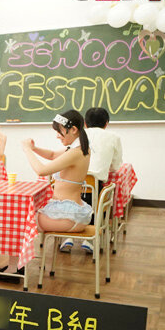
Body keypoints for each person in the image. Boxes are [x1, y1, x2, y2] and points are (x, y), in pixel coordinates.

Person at [59, 107, 122, 253]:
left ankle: (67, 237)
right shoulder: (114, 137)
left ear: (85, 123)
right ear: (106, 123)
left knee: (70, 199)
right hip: (95, 188)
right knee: (98, 198)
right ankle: (90, 240)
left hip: (71, 185)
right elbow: (115, 167)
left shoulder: (77, 134)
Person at [22, 109, 93, 235]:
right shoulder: (79, 149)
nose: (57, 136)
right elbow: (52, 155)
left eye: (59, 132)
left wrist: (27, 149)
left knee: (21, 219)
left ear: (73, 129)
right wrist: (34, 148)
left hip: (68, 217)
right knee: (24, 215)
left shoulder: (75, 153)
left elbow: (41, 171)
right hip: (70, 214)